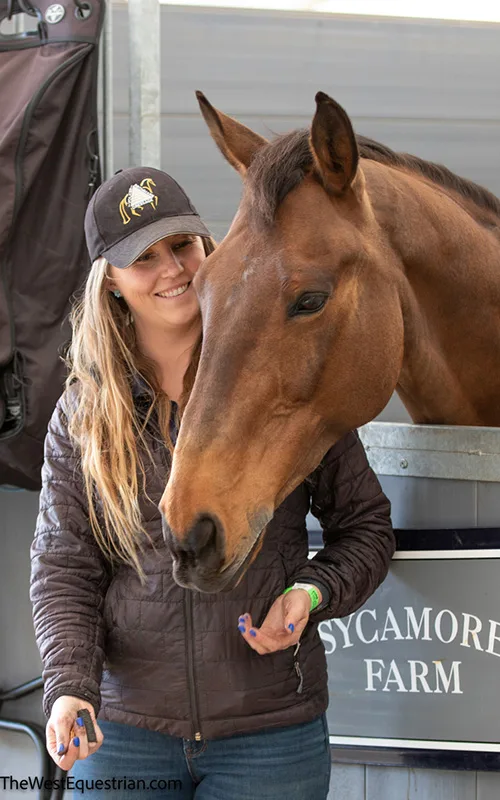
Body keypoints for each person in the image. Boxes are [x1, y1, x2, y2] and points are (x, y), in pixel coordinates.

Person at [30, 166, 395, 800]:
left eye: (181, 246)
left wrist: (310, 595)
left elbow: (365, 529)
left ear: (208, 248)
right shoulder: (84, 413)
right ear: (111, 284)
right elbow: (64, 565)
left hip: (271, 738)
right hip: (124, 734)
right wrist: (68, 687)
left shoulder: (284, 381)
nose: (171, 269)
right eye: (142, 259)